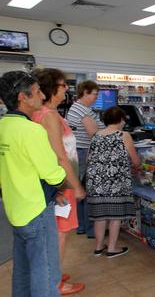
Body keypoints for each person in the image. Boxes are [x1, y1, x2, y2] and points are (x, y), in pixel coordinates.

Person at [0, 71, 77, 296]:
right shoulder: (31, 130)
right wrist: (66, 186)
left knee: (23, 269)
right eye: (37, 92)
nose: (42, 95)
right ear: (23, 97)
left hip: (15, 208)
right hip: (36, 209)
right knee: (46, 272)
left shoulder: (4, 126)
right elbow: (51, 173)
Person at [32, 68, 86, 295]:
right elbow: (60, 157)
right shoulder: (50, 117)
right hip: (62, 187)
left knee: (54, 233)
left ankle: (52, 273)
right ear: (53, 88)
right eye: (64, 85)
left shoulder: (43, 113)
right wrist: (76, 186)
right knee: (59, 235)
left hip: (53, 186)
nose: (67, 89)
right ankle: (54, 282)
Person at [85, 106, 141, 258]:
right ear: (121, 119)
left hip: (96, 182)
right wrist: (136, 166)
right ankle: (112, 248)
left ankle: (98, 247)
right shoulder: (123, 135)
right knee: (115, 216)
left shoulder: (96, 135)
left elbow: (88, 159)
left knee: (100, 216)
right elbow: (135, 160)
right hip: (116, 183)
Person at [66, 80, 105, 238]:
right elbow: (95, 136)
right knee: (88, 192)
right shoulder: (83, 111)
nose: (96, 97)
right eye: (94, 94)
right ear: (85, 93)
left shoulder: (78, 108)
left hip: (79, 152)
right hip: (85, 153)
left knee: (81, 190)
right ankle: (90, 228)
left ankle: (81, 225)